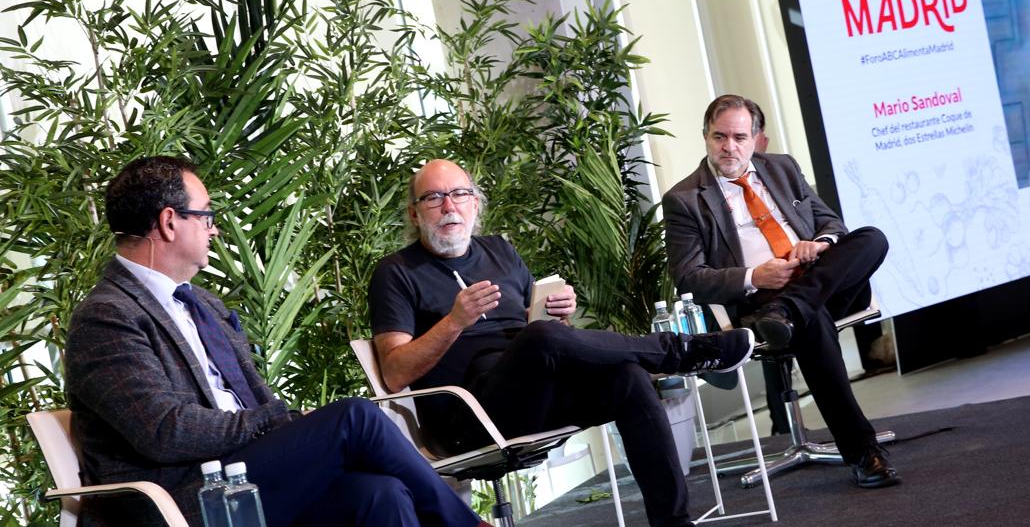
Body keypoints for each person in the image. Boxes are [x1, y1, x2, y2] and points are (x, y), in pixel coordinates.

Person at [65, 156, 484, 527]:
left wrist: (286, 423)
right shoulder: (108, 316)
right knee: (355, 418)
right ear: (170, 221)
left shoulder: (202, 304)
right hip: (183, 498)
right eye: (207, 216)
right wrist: (274, 420)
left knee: (379, 494)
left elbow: (249, 397)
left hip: (243, 474)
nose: (214, 230)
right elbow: (164, 430)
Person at [368, 159, 755, 527]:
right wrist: (454, 322)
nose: (448, 206)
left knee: (628, 377)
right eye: (433, 197)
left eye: (459, 193)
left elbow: (540, 334)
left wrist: (558, 314)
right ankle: (681, 351)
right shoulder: (396, 273)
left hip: (534, 395)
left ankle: (674, 522)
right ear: (415, 213)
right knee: (542, 337)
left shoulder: (500, 251)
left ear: (475, 203)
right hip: (468, 420)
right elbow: (395, 371)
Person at [662, 95, 898, 489]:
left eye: (739, 136)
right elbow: (689, 277)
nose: (729, 147)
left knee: (872, 238)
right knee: (813, 320)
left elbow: (832, 223)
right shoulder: (684, 200)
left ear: (757, 138)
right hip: (760, 300)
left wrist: (819, 243)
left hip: (817, 281)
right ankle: (862, 452)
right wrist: (756, 275)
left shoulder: (783, 168)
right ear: (705, 136)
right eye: (719, 136)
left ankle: (792, 308)